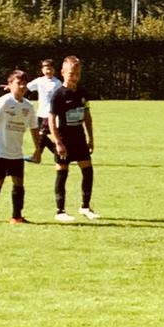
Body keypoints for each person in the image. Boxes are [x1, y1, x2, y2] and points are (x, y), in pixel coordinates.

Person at [0, 69, 40, 223]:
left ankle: (16, 216)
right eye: (18, 83)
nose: (22, 86)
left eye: (24, 84)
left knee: (18, 182)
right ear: (10, 84)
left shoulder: (28, 106)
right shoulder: (4, 101)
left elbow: (34, 128)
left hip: (16, 151)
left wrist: (37, 149)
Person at [48, 55, 98, 222]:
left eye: (77, 73)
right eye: (71, 73)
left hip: (79, 138)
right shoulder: (58, 95)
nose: (74, 77)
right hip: (64, 139)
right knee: (62, 173)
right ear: (63, 72)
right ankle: (60, 211)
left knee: (88, 171)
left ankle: (85, 207)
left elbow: (87, 116)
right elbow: (51, 120)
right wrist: (58, 142)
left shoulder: (82, 93)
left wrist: (91, 138)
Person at [27, 59, 63, 162]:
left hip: (50, 113)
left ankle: (37, 156)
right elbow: (26, 87)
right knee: (40, 136)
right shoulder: (39, 81)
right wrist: (11, 87)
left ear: (54, 70)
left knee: (42, 135)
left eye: (50, 69)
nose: (48, 71)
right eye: (46, 69)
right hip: (40, 113)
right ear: (42, 70)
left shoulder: (57, 83)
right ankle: (57, 154)